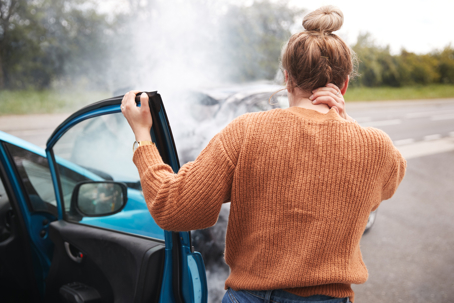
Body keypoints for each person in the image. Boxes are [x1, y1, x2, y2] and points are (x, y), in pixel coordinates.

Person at [121, 6, 406, 303]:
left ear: (287, 79)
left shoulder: (246, 131)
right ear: (344, 84)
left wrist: (143, 138)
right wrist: (345, 121)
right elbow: (390, 179)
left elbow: (173, 207)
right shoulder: (375, 146)